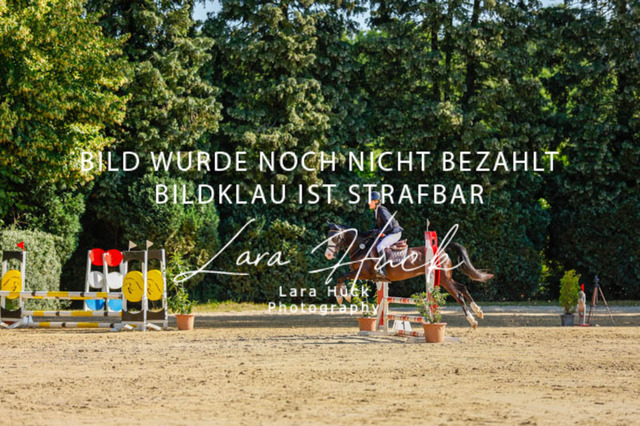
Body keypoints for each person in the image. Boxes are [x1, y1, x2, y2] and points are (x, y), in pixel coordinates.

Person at [368, 191, 403, 281]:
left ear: (376, 201)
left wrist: (379, 231)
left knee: (380, 246)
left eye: (370, 201)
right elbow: (380, 226)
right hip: (389, 233)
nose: (368, 203)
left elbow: (389, 225)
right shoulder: (375, 211)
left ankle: (382, 271)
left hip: (395, 233)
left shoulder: (382, 210)